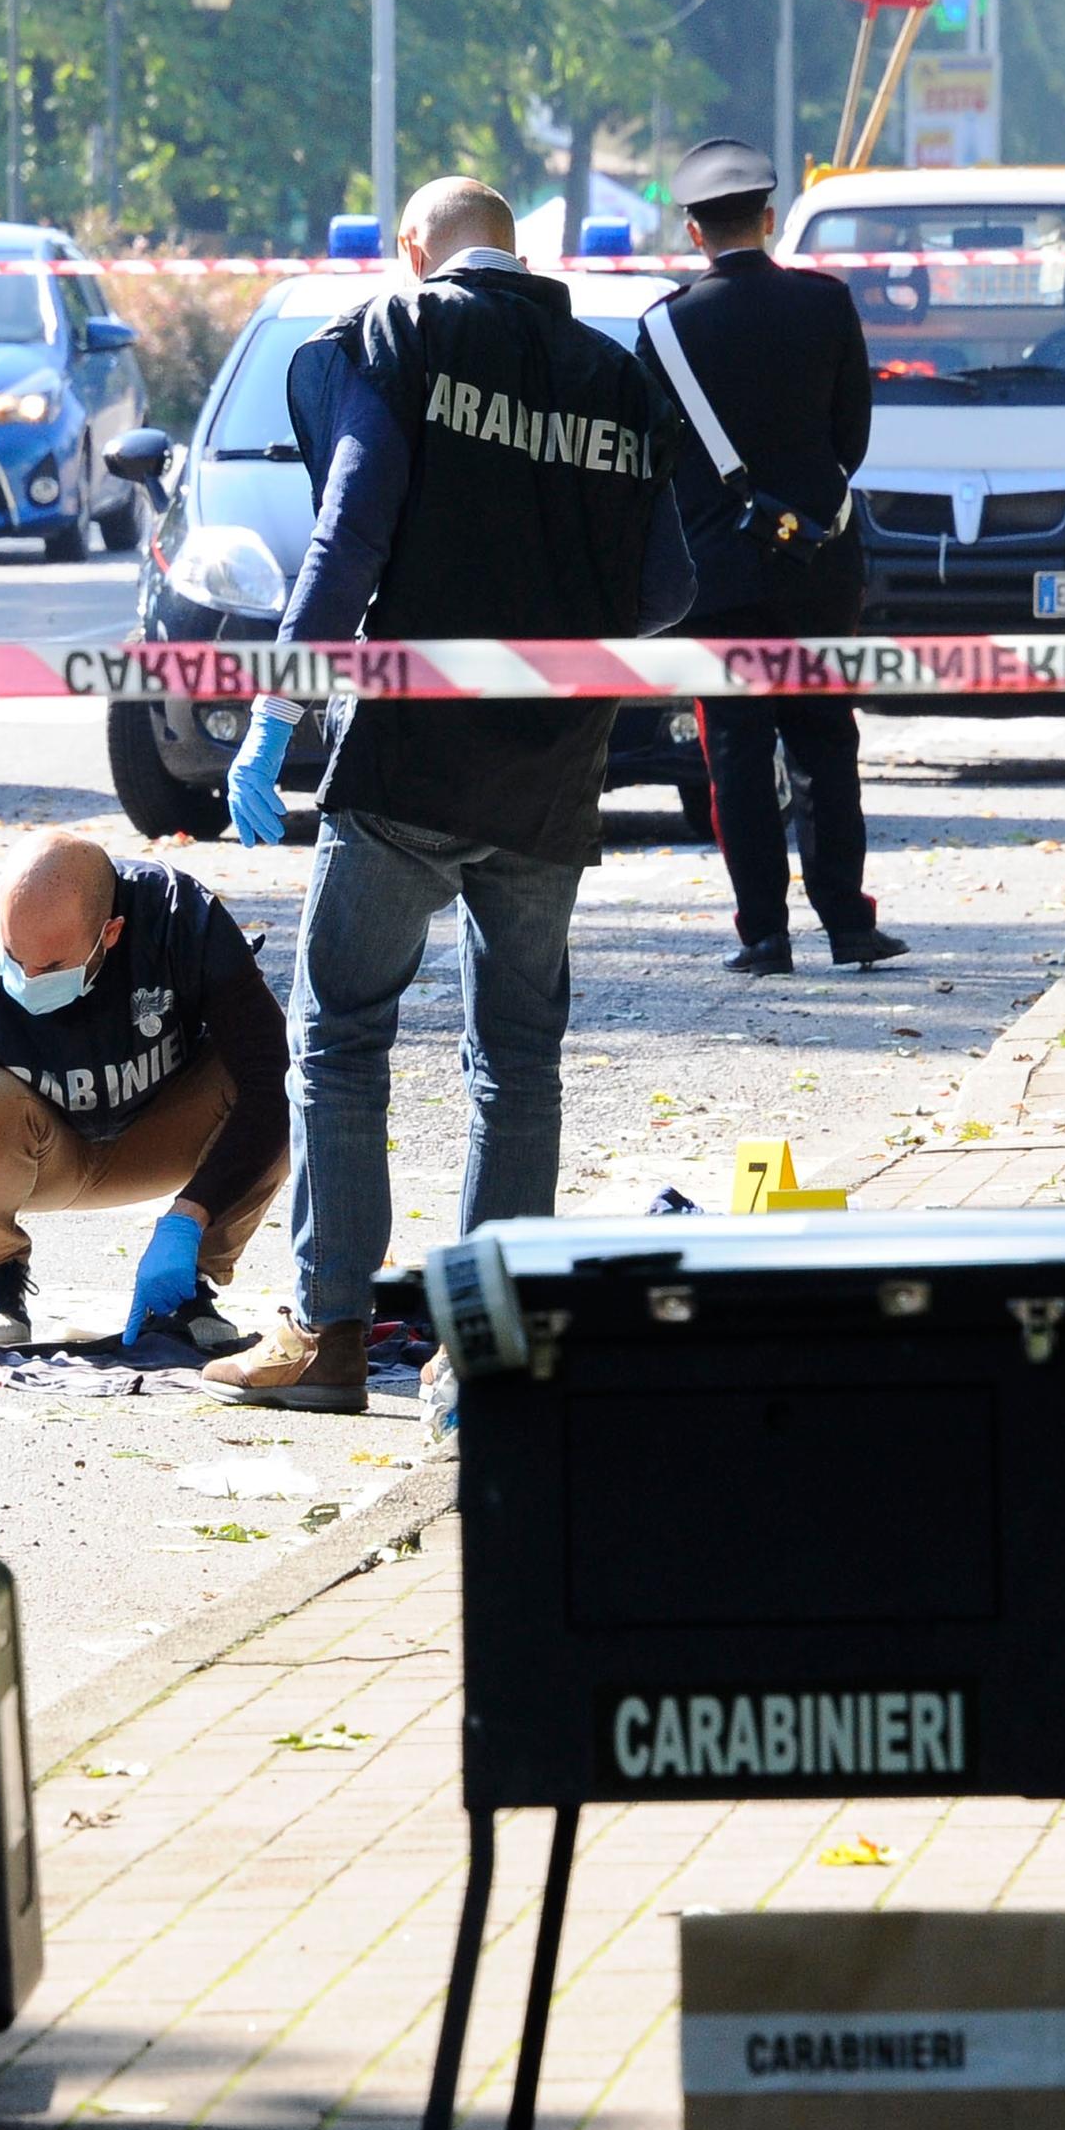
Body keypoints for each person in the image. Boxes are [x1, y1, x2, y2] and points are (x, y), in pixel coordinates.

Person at [197, 176, 694, 1415]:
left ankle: (326, 1339)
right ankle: (487, 1357)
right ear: (515, 251)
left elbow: (350, 528)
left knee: (339, 1034)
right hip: (555, 772)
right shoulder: (617, 376)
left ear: (416, 251)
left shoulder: (403, 332)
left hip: (411, 766)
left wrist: (277, 708)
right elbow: (670, 589)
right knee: (516, 1061)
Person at [0, 831, 283, 1352]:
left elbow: (271, 1078)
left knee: (294, 1089)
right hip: (37, 1153)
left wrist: (191, 1219)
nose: (27, 976)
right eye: (14, 956)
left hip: (160, 1137)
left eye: (49, 967)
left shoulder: (179, 917)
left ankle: (186, 1288)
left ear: (110, 934)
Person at [642, 136, 904, 979]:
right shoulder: (826, 304)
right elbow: (852, 437)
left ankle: (764, 932)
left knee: (738, 758)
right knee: (828, 743)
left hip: (718, 578)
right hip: (821, 562)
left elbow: (657, 458)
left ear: (692, 232)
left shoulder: (664, 328)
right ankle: (848, 923)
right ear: (767, 218)